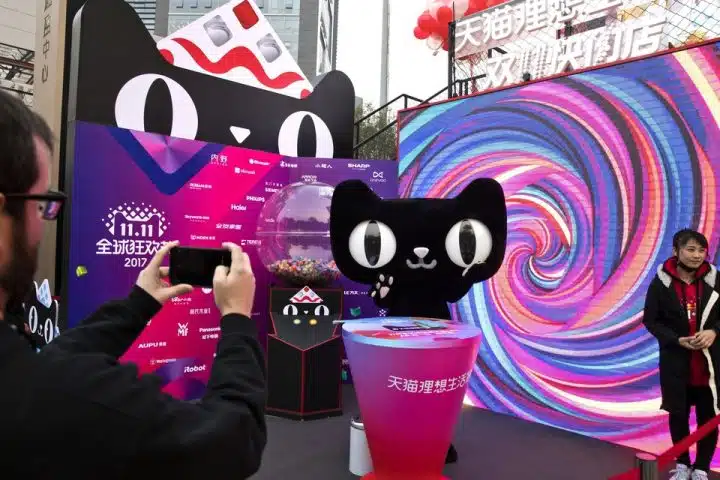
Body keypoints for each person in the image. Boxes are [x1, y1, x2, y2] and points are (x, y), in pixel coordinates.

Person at [0, 90, 267, 478]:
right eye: (41, 204)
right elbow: (233, 440)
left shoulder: (30, 381)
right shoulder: (71, 402)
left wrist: (138, 305)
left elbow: (43, 367)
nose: (43, 224)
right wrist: (238, 319)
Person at [643, 229, 720, 480]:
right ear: (676, 251)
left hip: (709, 365)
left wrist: (714, 332)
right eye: (691, 249)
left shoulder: (715, 279)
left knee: (708, 419)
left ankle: (702, 468)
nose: (697, 255)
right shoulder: (661, 282)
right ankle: (683, 464)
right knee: (678, 416)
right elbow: (651, 321)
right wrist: (676, 340)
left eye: (702, 250)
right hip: (676, 364)